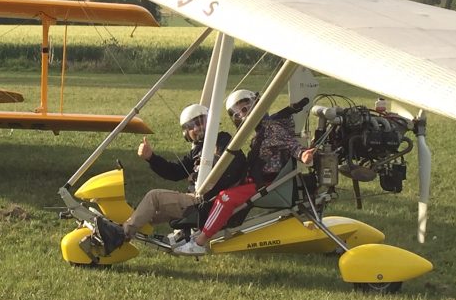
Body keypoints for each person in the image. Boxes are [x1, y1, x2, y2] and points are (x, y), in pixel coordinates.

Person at [174, 90, 316, 256]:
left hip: (268, 184)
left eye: (244, 108)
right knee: (217, 190)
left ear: (256, 103)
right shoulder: (262, 130)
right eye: (235, 114)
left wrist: (303, 154)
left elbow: (291, 144)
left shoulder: (273, 128)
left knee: (225, 198)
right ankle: (191, 229)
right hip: (256, 181)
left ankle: (199, 242)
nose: (241, 115)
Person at [95, 103, 247, 255]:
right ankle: (119, 228)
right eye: (193, 125)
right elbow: (175, 171)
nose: (199, 128)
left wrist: (202, 170)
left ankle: (120, 235)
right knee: (146, 213)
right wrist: (151, 158)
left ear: (211, 121)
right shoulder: (196, 151)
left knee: (154, 197)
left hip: (204, 202)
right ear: (186, 132)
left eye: (202, 121)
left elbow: (229, 164)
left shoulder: (222, 139)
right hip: (196, 200)